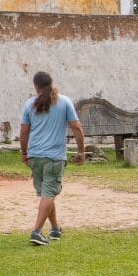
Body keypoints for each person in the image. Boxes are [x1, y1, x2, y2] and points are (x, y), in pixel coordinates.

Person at [20, 71, 84, 246]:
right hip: (54, 157)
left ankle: (55, 228)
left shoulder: (29, 104)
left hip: (36, 156)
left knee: (46, 194)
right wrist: (81, 151)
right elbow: (76, 127)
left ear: (36, 86)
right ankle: (37, 232)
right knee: (48, 194)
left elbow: (24, 131)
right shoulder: (64, 102)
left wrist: (24, 153)